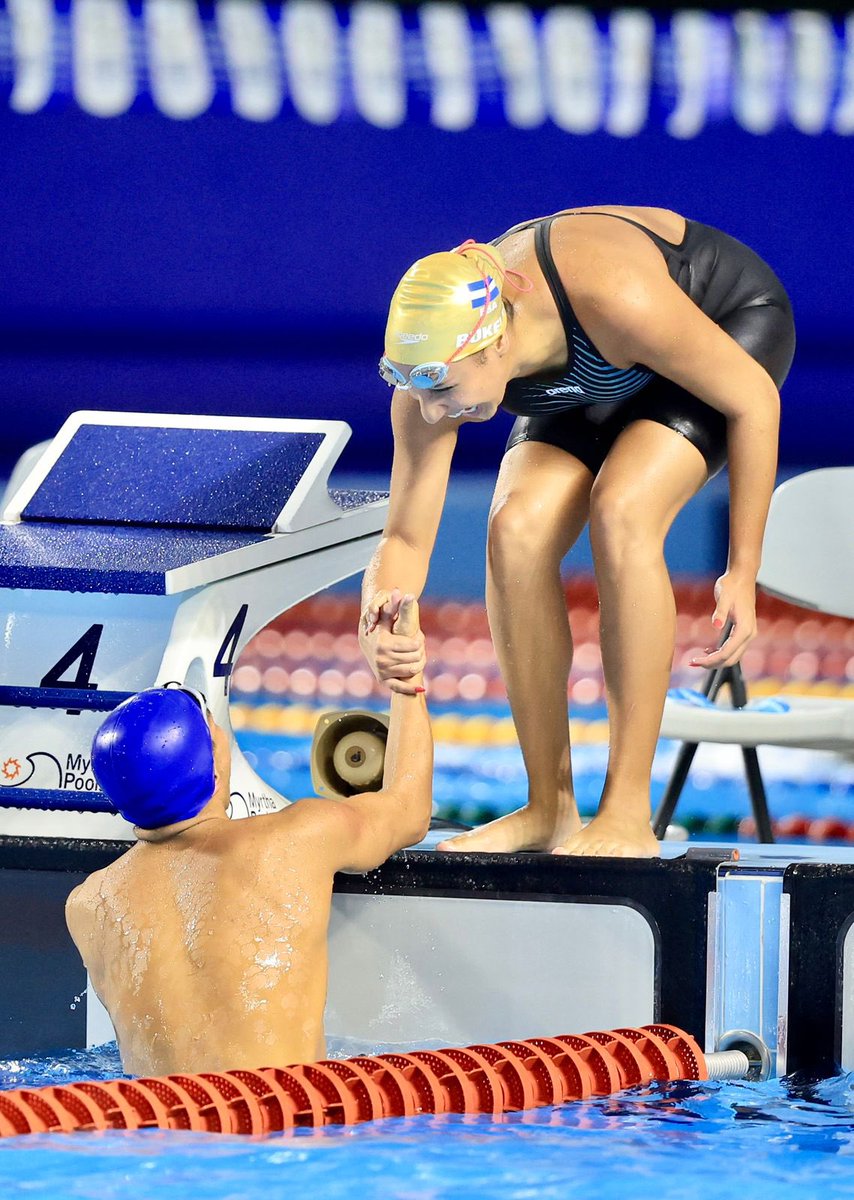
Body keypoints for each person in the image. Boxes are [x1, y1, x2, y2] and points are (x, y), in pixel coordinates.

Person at [360, 205, 795, 859]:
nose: (432, 411)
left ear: (497, 341)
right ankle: (548, 806)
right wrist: (379, 615)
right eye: (418, 391)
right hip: (596, 370)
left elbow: (754, 398)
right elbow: (404, 541)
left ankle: (626, 813)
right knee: (515, 530)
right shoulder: (436, 372)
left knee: (622, 510)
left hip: (724, 320)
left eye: (444, 390)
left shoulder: (610, 293)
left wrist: (743, 568)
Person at [65, 594, 431, 1076]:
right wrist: (408, 676)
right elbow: (409, 810)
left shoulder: (90, 904)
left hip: (155, 1132)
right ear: (215, 771)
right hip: (281, 1122)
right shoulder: (297, 838)